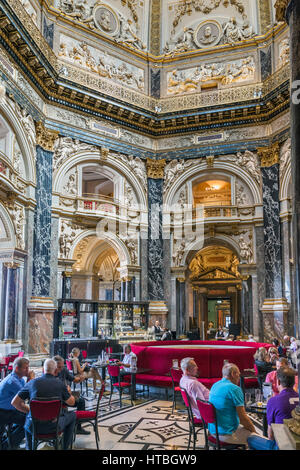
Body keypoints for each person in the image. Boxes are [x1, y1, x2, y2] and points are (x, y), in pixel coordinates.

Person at [11, 358, 76, 450]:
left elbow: (15, 402)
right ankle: (65, 447)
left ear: (43, 369)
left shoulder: (32, 383)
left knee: (27, 421)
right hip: (54, 426)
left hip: (34, 426)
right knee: (72, 415)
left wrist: (29, 411)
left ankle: (29, 448)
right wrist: (68, 393)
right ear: (56, 370)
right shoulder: (60, 384)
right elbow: (72, 402)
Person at [248, 367, 299, 450]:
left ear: (278, 381)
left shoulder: (273, 401)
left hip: (283, 446)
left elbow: (270, 435)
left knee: (251, 438)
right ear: (294, 382)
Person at [208, 363, 256, 445]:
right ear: (233, 374)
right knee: (260, 440)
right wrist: (254, 432)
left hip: (213, 431)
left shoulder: (215, 385)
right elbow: (243, 418)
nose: (239, 378)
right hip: (227, 434)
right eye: (238, 375)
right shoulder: (234, 389)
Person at [0, 357, 35, 449]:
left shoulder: (20, 379)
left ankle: (9, 440)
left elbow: (24, 396)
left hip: (10, 409)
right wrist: (31, 378)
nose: (28, 370)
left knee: (26, 416)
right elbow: (29, 394)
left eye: (28, 367)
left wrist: (28, 379)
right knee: (30, 422)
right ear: (17, 369)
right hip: (3, 412)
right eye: (25, 368)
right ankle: (7, 444)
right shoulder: (13, 382)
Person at [52, 355, 91, 435]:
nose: (60, 369)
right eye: (59, 367)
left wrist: (80, 379)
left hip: (65, 395)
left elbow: (73, 379)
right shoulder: (49, 372)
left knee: (81, 401)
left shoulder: (64, 370)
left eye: (62, 366)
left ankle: (78, 427)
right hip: (54, 398)